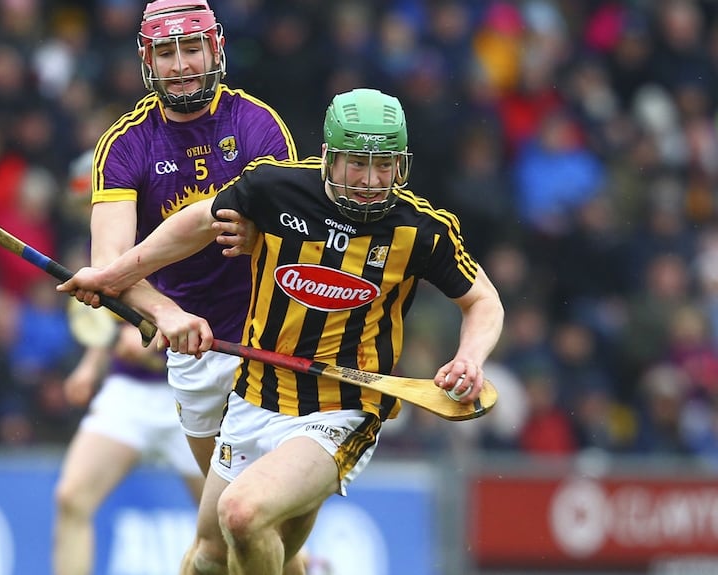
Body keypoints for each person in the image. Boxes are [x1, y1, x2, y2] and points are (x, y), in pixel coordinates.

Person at [59, 88, 505, 574]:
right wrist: (115, 275)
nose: (371, 180)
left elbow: (482, 300)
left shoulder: (422, 230)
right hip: (254, 397)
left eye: (386, 165)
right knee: (209, 556)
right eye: (358, 163)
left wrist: (470, 358)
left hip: (341, 409)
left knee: (243, 514)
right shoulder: (276, 187)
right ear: (330, 158)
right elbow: (195, 223)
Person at [87, 0, 298, 478]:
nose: (181, 66)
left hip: (268, 338)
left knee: (251, 515)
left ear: (216, 49)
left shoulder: (257, 124)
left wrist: (260, 234)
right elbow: (109, 264)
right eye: (166, 53)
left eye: (192, 49)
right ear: (147, 62)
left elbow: (297, 235)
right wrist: (166, 312)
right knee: (222, 528)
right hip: (192, 350)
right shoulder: (125, 144)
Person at [52, 151, 204, 575]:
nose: (93, 217)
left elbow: (193, 309)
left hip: (193, 392)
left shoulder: (171, 230)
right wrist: (90, 365)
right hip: (131, 390)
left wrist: (154, 343)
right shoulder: (99, 244)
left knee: (230, 523)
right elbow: (110, 320)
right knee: (72, 498)